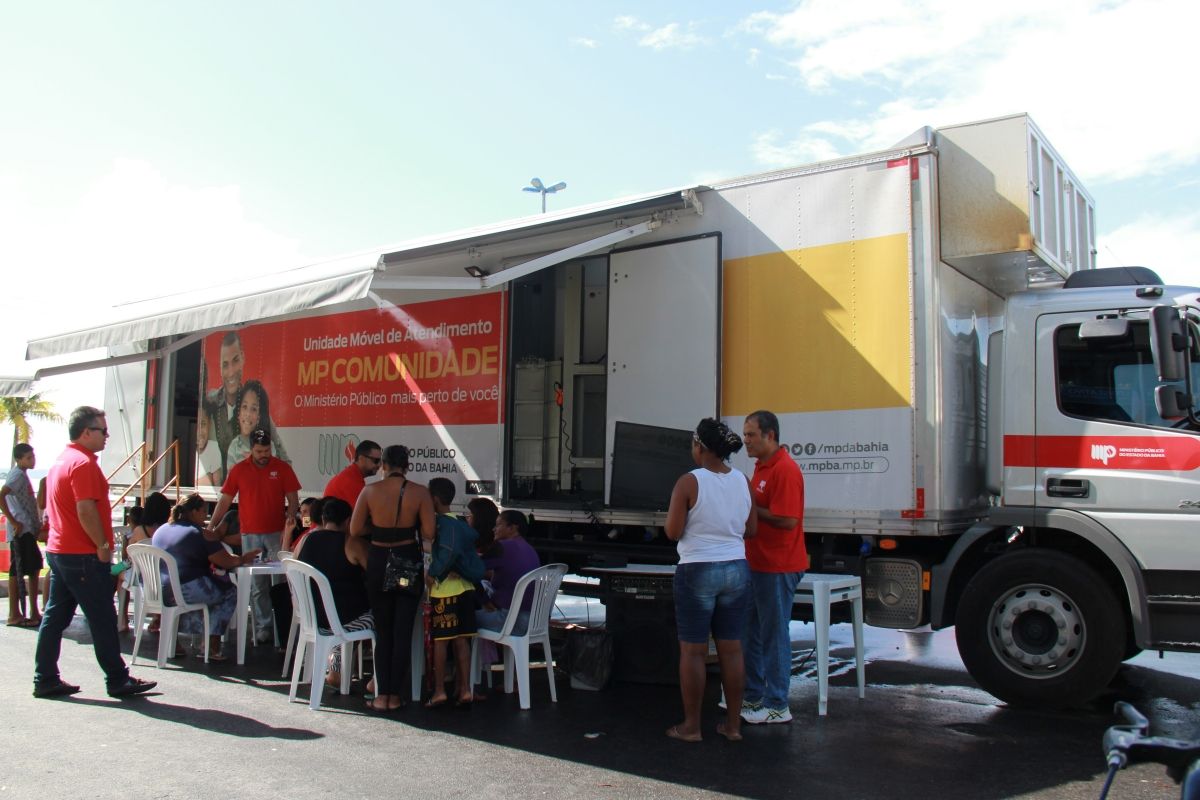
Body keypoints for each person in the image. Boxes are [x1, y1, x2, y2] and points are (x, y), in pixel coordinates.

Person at [33, 406, 157, 699]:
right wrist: (103, 546)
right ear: (86, 432)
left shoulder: (61, 461)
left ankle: (45, 677)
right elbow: (86, 509)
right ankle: (117, 678)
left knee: (55, 616)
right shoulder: (84, 464)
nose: (107, 436)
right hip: (81, 554)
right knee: (102, 617)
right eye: (102, 430)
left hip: (60, 551)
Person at [663, 418, 755, 743]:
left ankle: (691, 727)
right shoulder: (742, 480)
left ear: (699, 446)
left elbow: (673, 532)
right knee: (732, 650)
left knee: (693, 651)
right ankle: (732, 726)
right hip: (736, 568)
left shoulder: (689, 482)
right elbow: (752, 529)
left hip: (697, 570)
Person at [349, 444, 434, 713]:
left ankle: (380, 694)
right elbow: (430, 532)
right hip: (406, 562)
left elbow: (354, 528)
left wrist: (378, 526)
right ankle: (395, 695)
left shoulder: (369, 491)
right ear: (407, 465)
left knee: (382, 631)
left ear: (383, 465)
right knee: (402, 631)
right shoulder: (420, 493)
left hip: (377, 561)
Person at [740, 410, 807, 726]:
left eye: (751, 435)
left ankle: (778, 703)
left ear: (769, 435)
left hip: (778, 566)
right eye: (745, 434)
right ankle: (753, 697)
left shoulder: (785, 470)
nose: (746, 441)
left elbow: (788, 519)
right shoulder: (761, 468)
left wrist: (752, 509)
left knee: (773, 634)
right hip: (757, 563)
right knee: (750, 631)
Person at [208, 428, 300, 645]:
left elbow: (293, 497)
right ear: (251, 449)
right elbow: (225, 500)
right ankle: (263, 628)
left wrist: (290, 516)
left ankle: (281, 628)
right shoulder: (239, 470)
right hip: (250, 534)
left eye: (267, 450)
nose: (263, 454)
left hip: (276, 533)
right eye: (259, 451)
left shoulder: (282, 468)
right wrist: (212, 525)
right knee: (258, 584)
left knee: (278, 581)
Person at [151, 494, 260, 661]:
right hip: (186, 588)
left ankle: (175, 642)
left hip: (158, 589)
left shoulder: (161, 530)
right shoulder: (199, 533)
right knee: (229, 592)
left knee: (207, 595)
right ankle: (211, 645)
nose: (205, 515)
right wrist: (243, 559)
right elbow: (226, 561)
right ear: (194, 512)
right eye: (203, 511)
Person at [293, 496, 372, 688]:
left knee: (347, 614)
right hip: (344, 620)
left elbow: (293, 567)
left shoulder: (305, 540)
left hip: (313, 617)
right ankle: (378, 680)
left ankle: (337, 668)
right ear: (348, 521)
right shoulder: (351, 543)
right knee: (385, 616)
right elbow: (377, 574)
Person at [425, 478, 484, 708]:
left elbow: (446, 553)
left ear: (435, 500)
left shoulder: (440, 524)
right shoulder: (460, 523)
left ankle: (440, 691)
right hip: (467, 589)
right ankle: (465, 689)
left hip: (445, 591)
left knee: (441, 642)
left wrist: (434, 574)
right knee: (462, 641)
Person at [203, 331, 289, 474]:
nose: (231, 372)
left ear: (243, 358)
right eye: (225, 365)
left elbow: (286, 463)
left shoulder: (260, 413)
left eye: (235, 360)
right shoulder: (210, 402)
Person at [476, 509, 540, 636]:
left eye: (498, 525)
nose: (494, 529)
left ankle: (472, 656)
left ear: (512, 528)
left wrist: (484, 600)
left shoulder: (502, 546)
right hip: (534, 621)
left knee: (461, 617)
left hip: (510, 621)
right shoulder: (529, 549)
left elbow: (471, 569)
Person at [2, 444, 43, 627]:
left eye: (32, 457)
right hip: (21, 529)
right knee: (18, 569)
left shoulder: (21, 475)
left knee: (34, 567)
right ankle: (15, 613)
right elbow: (2, 495)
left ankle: (32, 610)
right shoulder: (17, 475)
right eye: (28, 458)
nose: (32, 460)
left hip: (26, 528)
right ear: (19, 459)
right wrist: (14, 521)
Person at [224, 380, 269, 469]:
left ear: (259, 417)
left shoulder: (269, 445)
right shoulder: (234, 447)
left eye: (254, 409)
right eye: (244, 407)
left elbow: (271, 478)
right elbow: (232, 481)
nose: (248, 414)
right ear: (238, 413)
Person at [323, 439, 382, 508]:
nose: (379, 465)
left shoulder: (352, 475)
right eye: (376, 461)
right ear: (361, 458)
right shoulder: (352, 480)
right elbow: (363, 514)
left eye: (380, 461)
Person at [195, 408, 223, 487]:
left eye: (203, 424)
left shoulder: (213, 448)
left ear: (209, 424)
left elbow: (217, 486)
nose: (199, 431)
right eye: (196, 425)